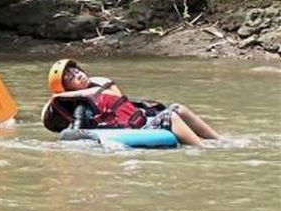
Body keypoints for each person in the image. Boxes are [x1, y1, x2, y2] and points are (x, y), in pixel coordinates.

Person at [40, 59, 221, 147]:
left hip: (138, 122)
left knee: (178, 108)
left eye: (76, 71)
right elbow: (76, 131)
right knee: (170, 116)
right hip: (131, 132)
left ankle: (219, 141)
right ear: (67, 89)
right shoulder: (81, 105)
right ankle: (201, 149)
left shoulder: (99, 86)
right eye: (71, 77)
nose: (78, 74)